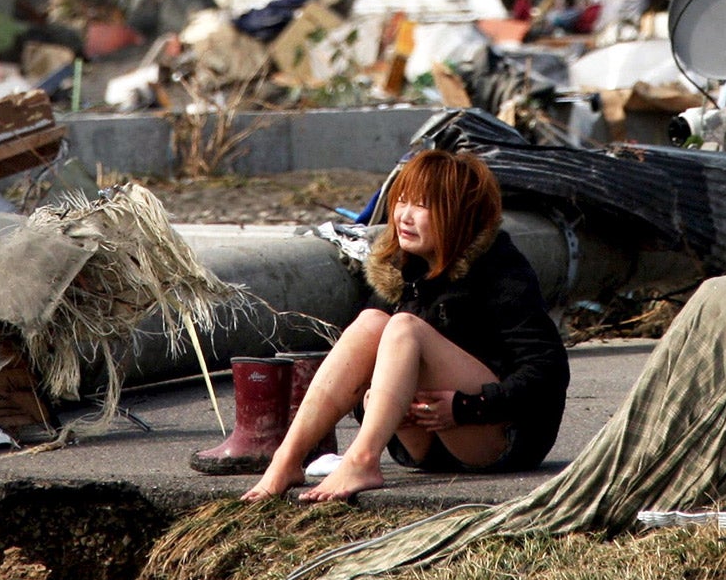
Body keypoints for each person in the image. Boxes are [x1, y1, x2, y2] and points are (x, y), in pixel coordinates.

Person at [244, 149, 570, 503]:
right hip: (423, 447)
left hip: (497, 436)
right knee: (372, 323)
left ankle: (362, 460)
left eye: (422, 206)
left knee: (404, 328)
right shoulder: (401, 269)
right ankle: (287, 458)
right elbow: (358, 374)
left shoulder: (501, 269)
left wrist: (466, 406)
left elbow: (547, 371)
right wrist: (371, 403)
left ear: (460, 214)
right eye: (401, 201)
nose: (403, 216)